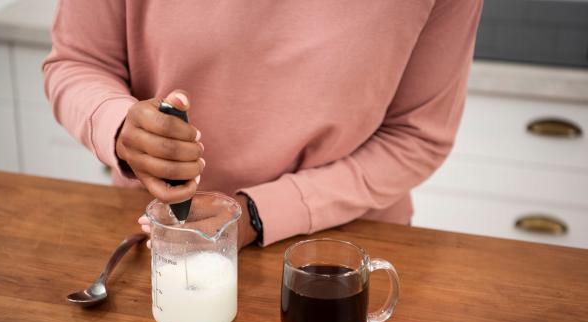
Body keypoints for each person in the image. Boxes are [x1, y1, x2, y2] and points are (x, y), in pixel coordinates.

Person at [43, 1, 483, 250]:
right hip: (159, 234)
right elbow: (79, 62)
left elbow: (417, 137)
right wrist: (120, 126)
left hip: (343, 249)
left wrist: (258, 213)